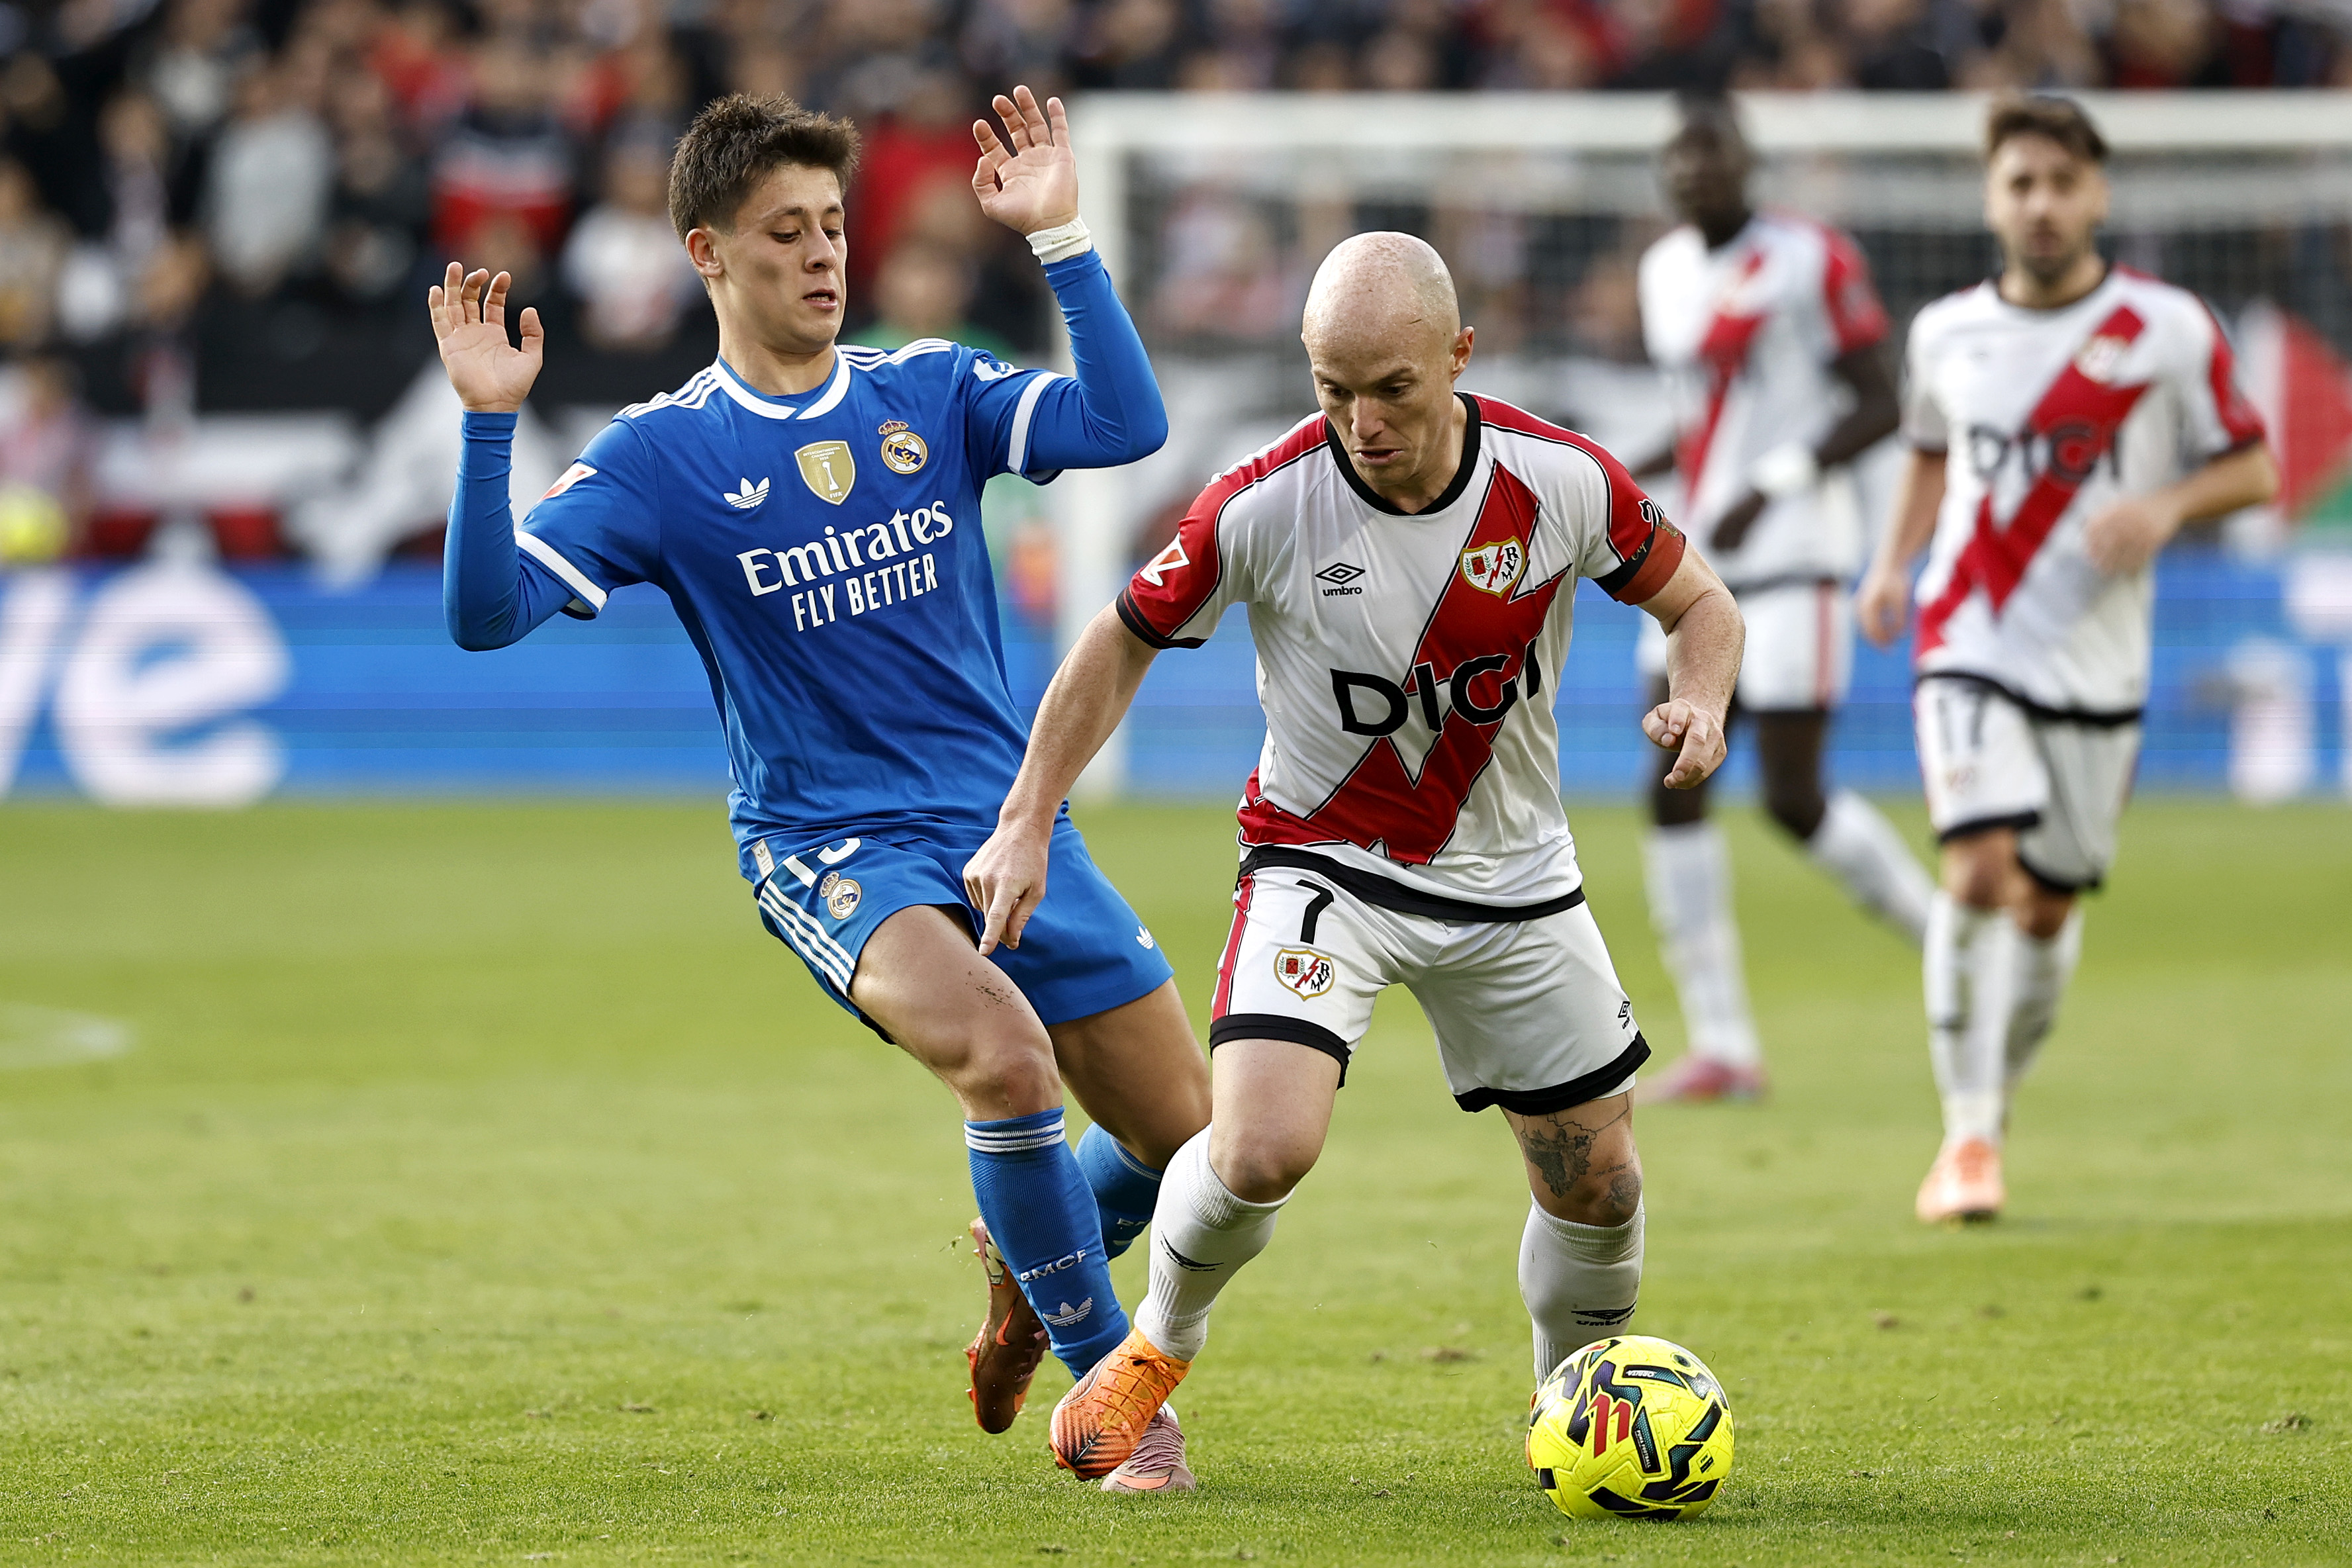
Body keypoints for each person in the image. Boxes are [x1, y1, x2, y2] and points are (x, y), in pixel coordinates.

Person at [429, 89, 1212, 1487]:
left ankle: (1026, 1266)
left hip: (1005, 823)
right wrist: (491, 427)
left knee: (1188, 1139)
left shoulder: (928, 390)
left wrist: (1063, 241)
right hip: (832, 844)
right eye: (783, 231)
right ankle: (1116, 1399)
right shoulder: (660, 457)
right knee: (1005, 1061)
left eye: (834, 225)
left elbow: (1123, 423)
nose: (821, 254)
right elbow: (486, 615)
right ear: (705, 252)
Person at [964, 232, 1744, 1479]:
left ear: (1458, 356)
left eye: (1391, 388)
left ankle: (1571, 1414)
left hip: (1512, 878)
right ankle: (1156, 1346)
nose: (1360, 421)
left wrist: (1701, 702)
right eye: (1332, 388)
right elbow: (1116, 639)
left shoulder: (1562, 482)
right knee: (1264, 1142)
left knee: (1598, 1188)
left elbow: (1701, 605)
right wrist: (1023, 817)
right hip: (1324, 864)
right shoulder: (1265, 500)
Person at [1856, 96, 2275, 1224]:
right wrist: (1891, 567)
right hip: (1969, 632)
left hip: (2099, 658)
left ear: (2096, 193)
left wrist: (2166, 504)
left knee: (2044, 908)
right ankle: (1967, 1137)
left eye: (2060, 181)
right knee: (1977, 873)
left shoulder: (2167, 328)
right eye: (2018, 183)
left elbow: (2253, 467)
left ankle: (1992, 1099)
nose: (2039, 203)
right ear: (1991, 199)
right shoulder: (1944, 332)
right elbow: (1928, 456)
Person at [1629, 100, 1938, 1104]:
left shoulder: (1812, 259)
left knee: (1791, 796)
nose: (1691, 172)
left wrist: (1783, 478)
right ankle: (1722, 1041)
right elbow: (1697, 422)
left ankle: (1944, 937)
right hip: (1689, 575)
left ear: (1745, 164)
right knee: (1670, 786)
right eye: (1676, 156)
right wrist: (1618, 481)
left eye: (1708, 154)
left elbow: (1880, 396)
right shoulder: (1662, 272)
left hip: (1796, 557)